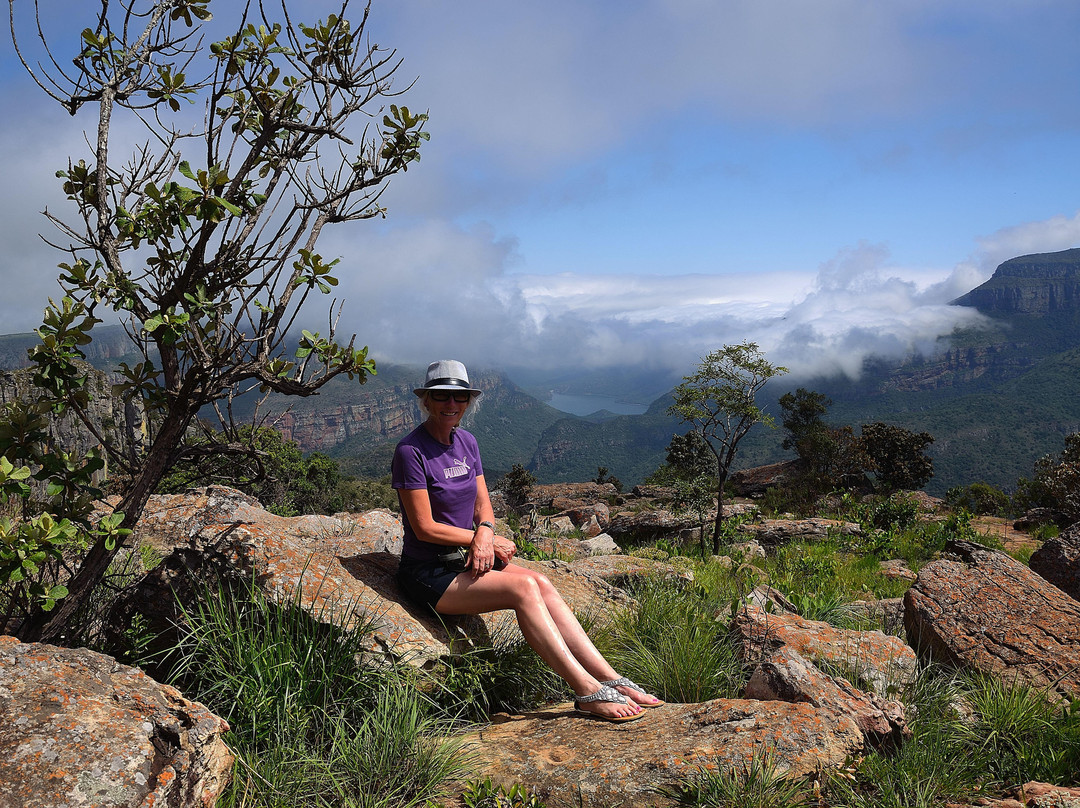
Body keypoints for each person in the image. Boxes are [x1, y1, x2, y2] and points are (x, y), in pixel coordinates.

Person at [393, 360, 663, 723]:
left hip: (467, 558)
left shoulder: (467, 442)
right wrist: (479, 538)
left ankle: (610, 677)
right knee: (523, 589)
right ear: (427, 400)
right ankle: (585, 691)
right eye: (442, 396)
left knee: (541, 582)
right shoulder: (411, 452)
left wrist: (486, 532)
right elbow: (424, 527)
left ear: (468, 400)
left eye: (460, 396)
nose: (451, 403)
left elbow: (482, 502)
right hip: (429, 571)